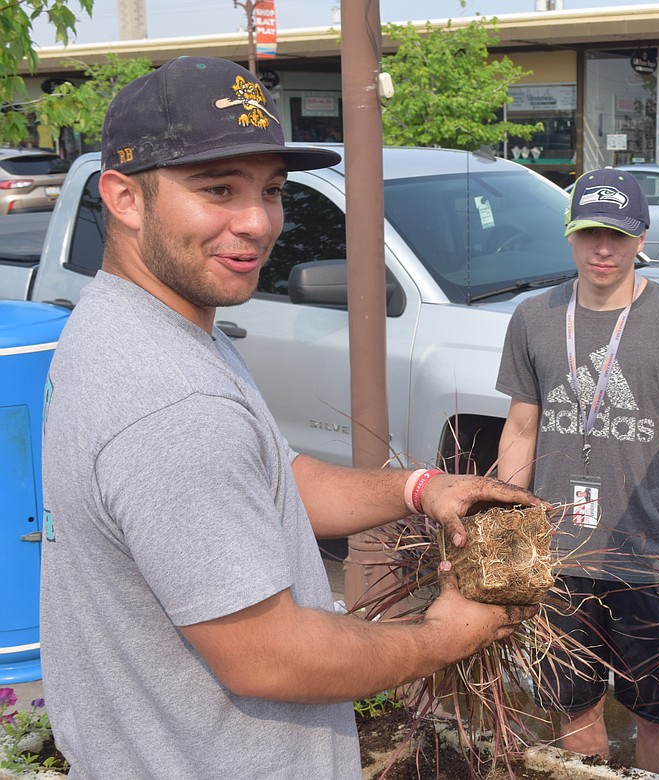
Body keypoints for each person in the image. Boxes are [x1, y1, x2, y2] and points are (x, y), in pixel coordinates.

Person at [38, 56, 540, 779]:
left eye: (271, 190)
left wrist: (419, 489)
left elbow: (274, 479)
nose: (258, 222)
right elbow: (270, 656)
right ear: (123, 197)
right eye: (218, 189)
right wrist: (440, 635)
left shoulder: (133, 323)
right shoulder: (171, 400)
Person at [495, 167, 659, 778]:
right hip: (560, 560)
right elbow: (520, 431)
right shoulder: (533, 318)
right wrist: (509, 539)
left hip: (650, 560)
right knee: (573, 711)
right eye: (591, 233)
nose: (604, 249)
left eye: (618, 235)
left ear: (642, 237)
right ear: (570, 235)